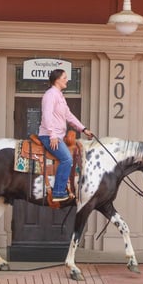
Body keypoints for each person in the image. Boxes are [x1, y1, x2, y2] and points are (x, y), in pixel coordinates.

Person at [38, 68, 94, 201]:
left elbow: (69, 116)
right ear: (57, 80)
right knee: (67, 159)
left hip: (57, 135)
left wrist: (83, 129)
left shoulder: (60, 96)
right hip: (49, 136)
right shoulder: (50, 94)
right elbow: (47, 116)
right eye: (64, 78)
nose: (67, 80)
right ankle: (58, 191)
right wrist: (52, 135)